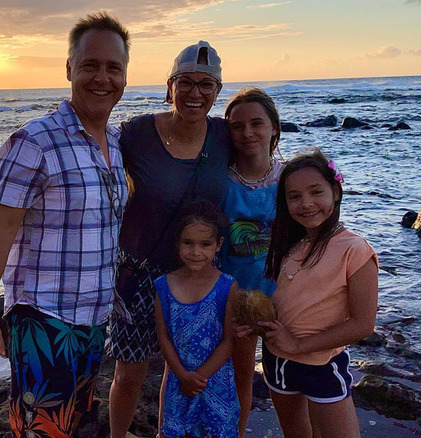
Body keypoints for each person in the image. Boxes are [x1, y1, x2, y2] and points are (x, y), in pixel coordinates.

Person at [0, 12, 130, 438]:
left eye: (114, 68)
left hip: (95, 319)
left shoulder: (114, 143)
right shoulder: (34, 141)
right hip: (45, 319)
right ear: (69, 68)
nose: (102, 78)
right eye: (90, 65)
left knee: (78, 427)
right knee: (43, 431)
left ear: (125, 76)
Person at [107, 41, 232, 437]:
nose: (195, 93)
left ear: (217, 92)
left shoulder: (224, 135)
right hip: (138, 273)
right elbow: (92, 162)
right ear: (169, 86)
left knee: (189, 368)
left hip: (195, 272)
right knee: (130, 373)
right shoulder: (137, 133)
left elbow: (260, 173)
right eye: (186, 83)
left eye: (206, 85)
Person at [249, 148, 379, 437]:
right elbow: (286, 301)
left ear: (336, 192)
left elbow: (362, 324)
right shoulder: (291, 246)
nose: (306, 203)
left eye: (315, 192)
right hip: (277, 361)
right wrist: (256, 322)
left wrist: (297, 346)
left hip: (322, 365)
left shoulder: (355, 250)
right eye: (294, 196)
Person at [220, 86, 284, 436]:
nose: (247, 133)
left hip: (286, 296)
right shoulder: (221, 181)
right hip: (236, 300)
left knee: (290, 379)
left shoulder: (289, 178)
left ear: (274, 127)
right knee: (241, 376)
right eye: (237, 126)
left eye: (257, 124)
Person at [154, 201, 240, 438]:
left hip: (215, 381)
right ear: (177, 243)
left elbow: (229, 341)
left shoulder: (228, 286)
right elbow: (163, 337)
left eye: (205, 244)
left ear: (218, 245)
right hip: (179, 380)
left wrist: (199, 377)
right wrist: (183, 376)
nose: (196, 252)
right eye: (188, 243)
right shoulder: (163, 285)